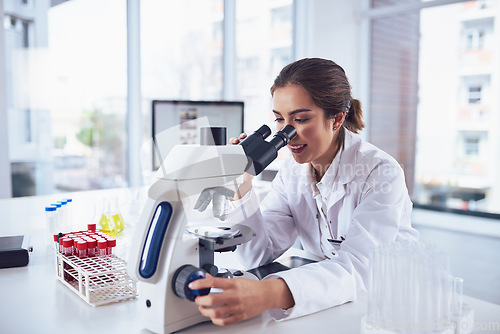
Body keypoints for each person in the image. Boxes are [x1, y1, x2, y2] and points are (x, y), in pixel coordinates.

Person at [188, 58, 420, 326]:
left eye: (299, 119)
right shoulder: (291, 173)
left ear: (336, 119)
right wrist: (243, 186)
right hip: (326, 298)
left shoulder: (380, 171)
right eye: (279, 120)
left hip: (390, 303)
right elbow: (256, 255)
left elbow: (359, 268)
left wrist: (268, 294)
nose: (287, 134)